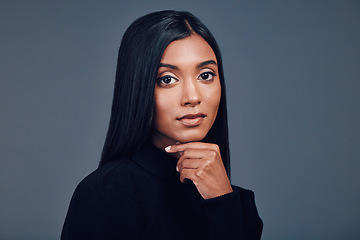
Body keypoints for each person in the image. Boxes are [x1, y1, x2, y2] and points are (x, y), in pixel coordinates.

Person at [61, 10, 263, 240]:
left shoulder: (233, 201)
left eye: (206, 75)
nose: (192, 96)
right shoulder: (106, 192)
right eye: (167, 79)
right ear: (138, 87)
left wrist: (221, 200)